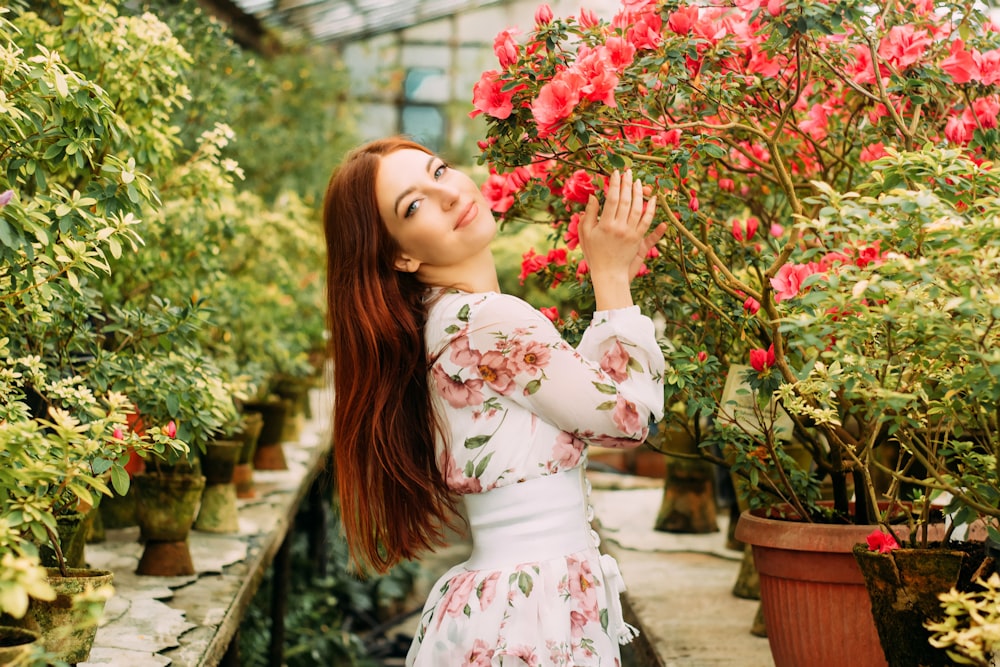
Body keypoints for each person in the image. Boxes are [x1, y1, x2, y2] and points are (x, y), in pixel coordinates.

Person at [323, 136, 667, 666]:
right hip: (532, 609)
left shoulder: (442, 322)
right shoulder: (487, 319)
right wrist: (611, 276)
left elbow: (572, 397)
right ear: (400, 254)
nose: (447, 195)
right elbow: (626, 420)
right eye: (412, 205)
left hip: (510, 602)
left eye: (439, 171)